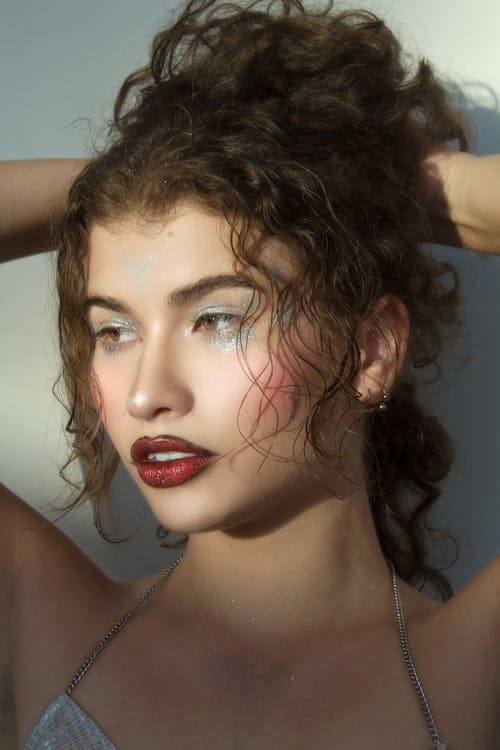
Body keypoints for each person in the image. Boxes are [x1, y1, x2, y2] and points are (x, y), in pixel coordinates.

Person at [1, 0, 499, 748]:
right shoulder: (40, 617)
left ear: (371, 351)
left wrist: (432, 190)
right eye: (115, 330)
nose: (145, 394)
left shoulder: (477, 665)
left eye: (218, 319)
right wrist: (128, 178)